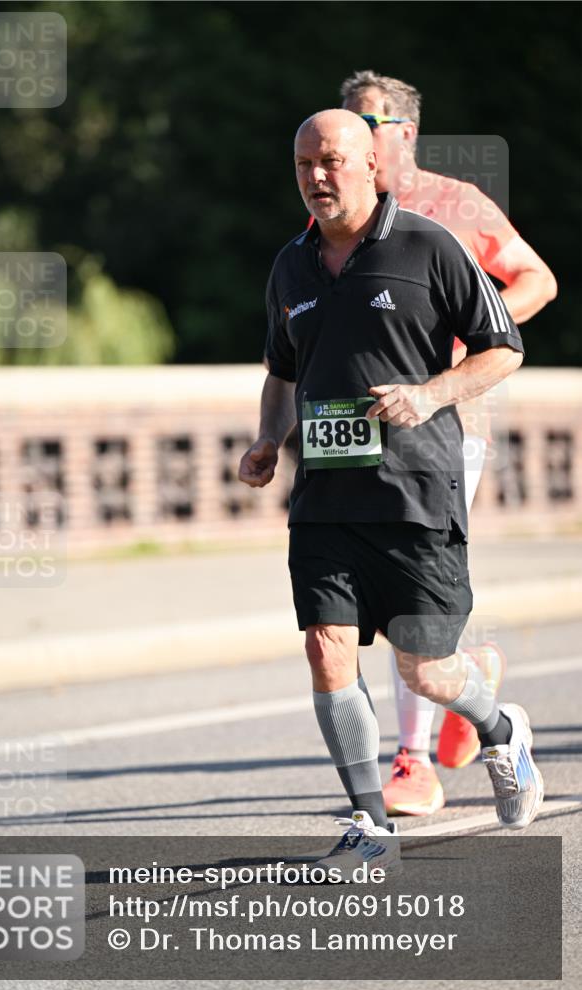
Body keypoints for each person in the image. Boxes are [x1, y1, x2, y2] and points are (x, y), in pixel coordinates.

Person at [238, 109, 543, 872]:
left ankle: (501, 732)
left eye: (332, 161)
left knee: (423, 667)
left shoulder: (427, 246)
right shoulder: (289, 266)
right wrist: (268, 439)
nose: (316, 177)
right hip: (325, 502)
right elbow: (281, 370)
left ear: (373, 164)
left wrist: (430, 394)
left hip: (414, 492)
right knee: (325, 648)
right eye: (304, 162)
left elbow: (501, 347)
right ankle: (371, 825)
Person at [338, 70, 557, 817]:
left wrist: (463, 345)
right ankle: (470, 681)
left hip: (447, 426)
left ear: (403, 132)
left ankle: (412, 761)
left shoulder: (453, 204)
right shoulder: (339, 212)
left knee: (409, 598)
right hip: (364, 438)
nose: (347, 140)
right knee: (381, 605)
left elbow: (535, 279)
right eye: (342, 124)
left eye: (364, 124)